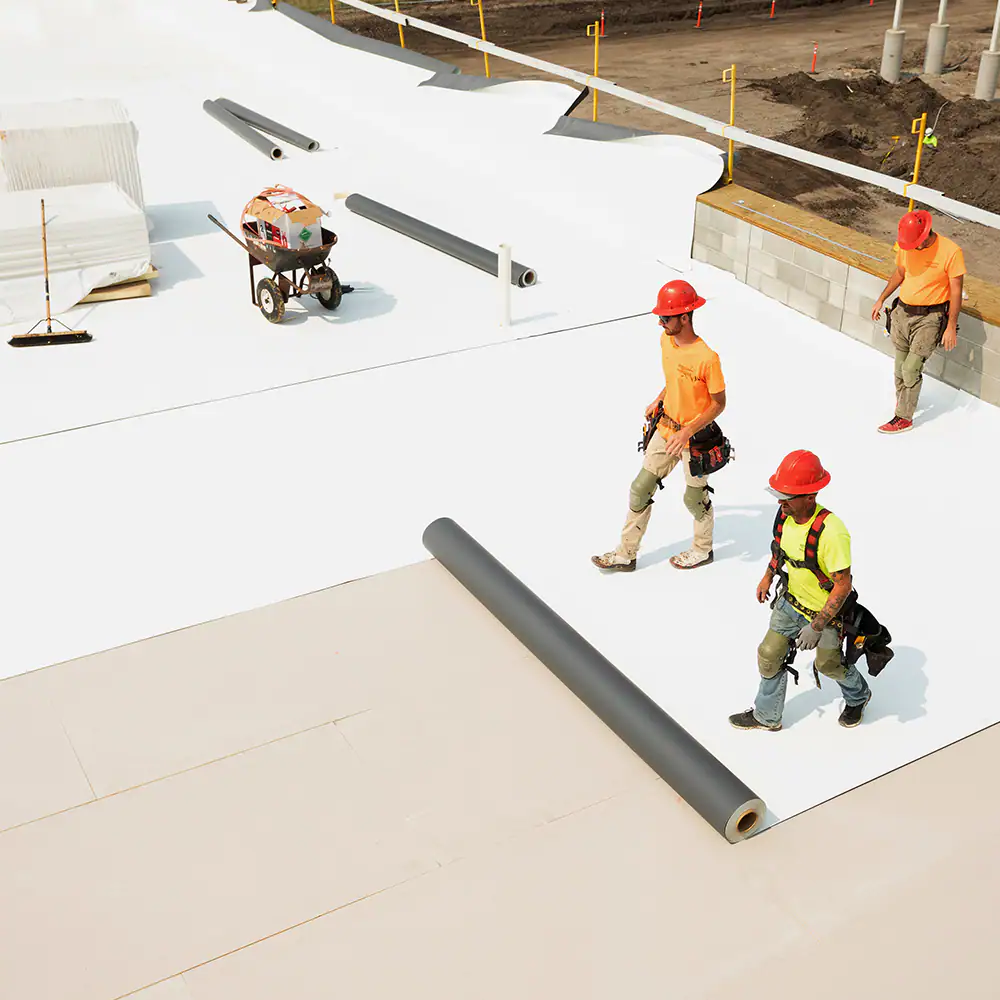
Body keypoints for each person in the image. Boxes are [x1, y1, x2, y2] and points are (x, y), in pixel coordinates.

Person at [729, 450, 873, 732]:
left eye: (788, 496)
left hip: (825, 615)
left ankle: (859, 696)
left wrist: (818, 626)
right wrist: (767, 576)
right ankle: (767, 716)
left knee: (829, 665)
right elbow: (779, 550)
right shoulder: (784, 516)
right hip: (791, 603)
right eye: (779, 495)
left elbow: (843, 585)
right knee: (769, 655)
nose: (781, 502)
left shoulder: (832, 532)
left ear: (811, 495)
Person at [592, 279, 725, 573]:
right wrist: (659, 398)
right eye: (660, 317)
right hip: (666, 428)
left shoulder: (707, 358)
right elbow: (674, 380)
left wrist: (687, 431)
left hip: (695, 437)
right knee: (640, 489)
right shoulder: (666, 340)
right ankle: (625, 554)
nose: (660, 323)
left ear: (685, 317)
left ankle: (703, 550)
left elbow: (718, 404)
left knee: (694, 498)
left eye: (665, 317)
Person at [871, 209, 965, 434]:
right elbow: (900, 274)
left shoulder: (951, 252)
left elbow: (956, 291)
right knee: (899, 366)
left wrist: (951, 326)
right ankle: (904, 402)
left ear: (924, 237)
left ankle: (904, 417)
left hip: (929, 317)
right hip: (902, 313)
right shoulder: (907, 247)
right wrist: (881, 298)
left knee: (911, 368)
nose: (910, 248)